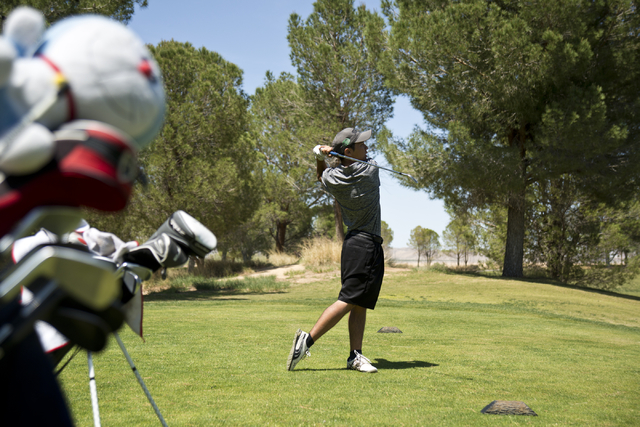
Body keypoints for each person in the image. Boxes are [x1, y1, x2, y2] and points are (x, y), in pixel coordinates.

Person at [286, 128, 385, 373]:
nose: (368, 148)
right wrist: (333, 156)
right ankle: (306, 341)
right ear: (350, 152)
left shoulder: (334, 178)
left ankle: (355, 355)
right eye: (362, 145)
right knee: (349, 299)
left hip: (354, 244)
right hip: (365, 245)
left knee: (359, 302)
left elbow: (321, 176)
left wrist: (321, 156)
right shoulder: (370, 171)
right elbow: (367, 162)